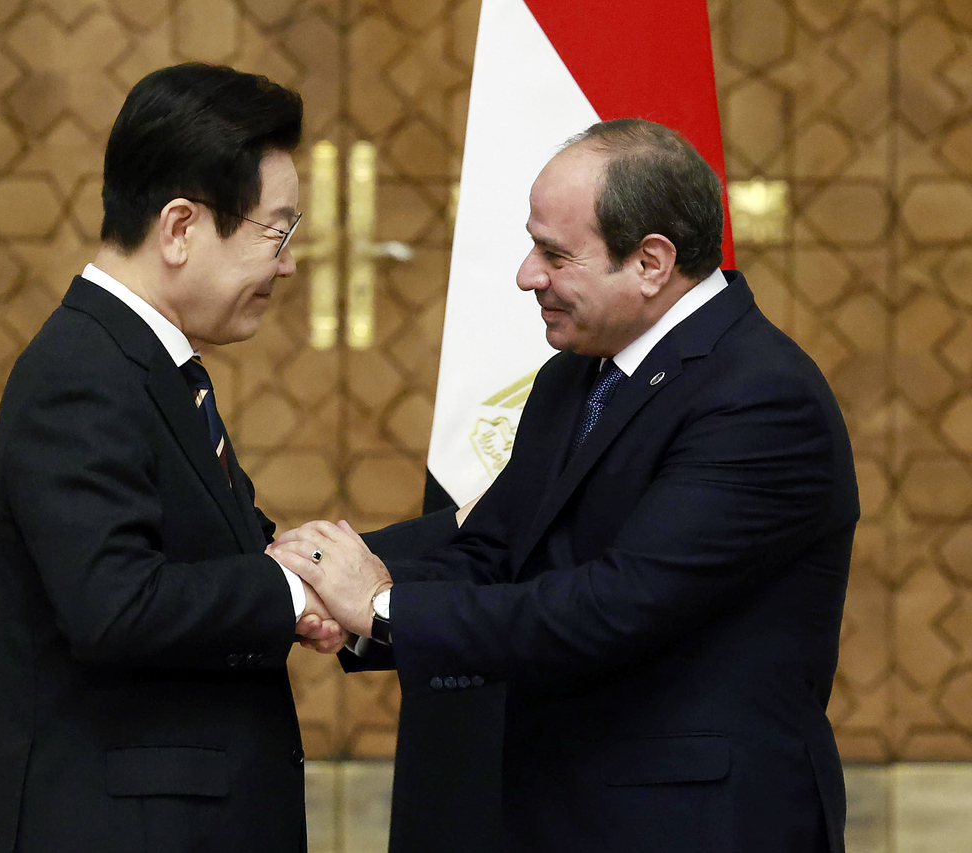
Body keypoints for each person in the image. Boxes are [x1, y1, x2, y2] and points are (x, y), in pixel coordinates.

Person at [272, 118, 859, 853]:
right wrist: (330, 591)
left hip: (698, 823)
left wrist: (384, 607)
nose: (526, 274)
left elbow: (616, 605)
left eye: (554, 253)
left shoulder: (761, 398)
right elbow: (491, 549)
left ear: (651, 262)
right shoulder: (575, 375)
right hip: (567, 806)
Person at [0, 63, 347, 853]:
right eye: (275, 231)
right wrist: (292, 589)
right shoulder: (81, 370)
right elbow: (114, 603)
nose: (287, 264)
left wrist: (450, 536)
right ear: (181, 227)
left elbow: (244, 555)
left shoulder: (149, 363)